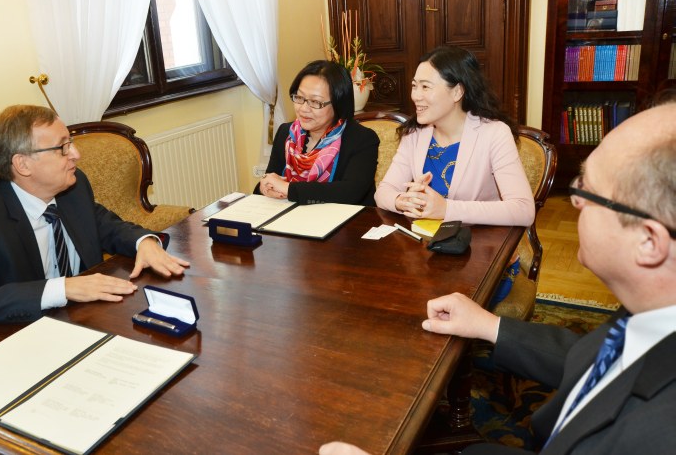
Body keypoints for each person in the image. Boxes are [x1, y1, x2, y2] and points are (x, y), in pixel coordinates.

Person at [321, 101, 676, 454]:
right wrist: (490, 325)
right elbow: (597, 356)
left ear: (649, 241)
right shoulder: (652, 309)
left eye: (587, 191)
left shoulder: (656, 432)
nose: (574, 203)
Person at [0, 105, 190, 344]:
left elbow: (105, 225)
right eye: (63, 147)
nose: (76, 154)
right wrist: (63, 288)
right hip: (4, 342)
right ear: (23, 164)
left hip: (77, 324)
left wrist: (144, 242)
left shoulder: (72, 186)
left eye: (71, 142)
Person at [374, 45, 534, 227]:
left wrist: (446, 209)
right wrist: (402, 201)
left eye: (425, 87)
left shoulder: (495, 134)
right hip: (425, 238)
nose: (416, 96)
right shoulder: (415, 134)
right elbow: (384, 192)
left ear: (457, 92)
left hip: (479, 239)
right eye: (414, 86)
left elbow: (523, 210)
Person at [255, 60, 379, 205]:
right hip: (292, 216)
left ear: (338, 103)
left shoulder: (362, 139)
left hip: (347, 218)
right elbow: (271, 179)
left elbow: (349, 193)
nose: (303, 109)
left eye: (315, 102)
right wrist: (265, 186)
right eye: (299, 98)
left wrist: (288, 188)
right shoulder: (286, 133)